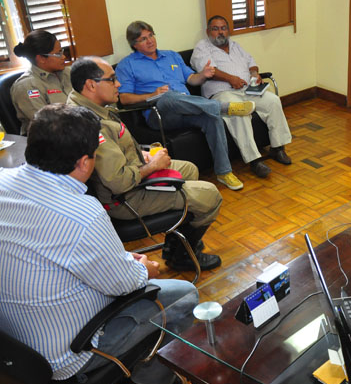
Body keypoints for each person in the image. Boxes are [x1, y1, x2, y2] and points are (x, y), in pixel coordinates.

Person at [0, 104, 198, 384]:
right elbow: (125, 284)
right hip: (67, 356)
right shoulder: (82, 214)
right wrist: (143, 269)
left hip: (12, 343)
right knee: (183, 295)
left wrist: (120, 261)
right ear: (84, 162)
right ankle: (149, 377)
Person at [68, 56, 223, 271]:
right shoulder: (93, 124)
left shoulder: (87, 106)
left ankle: (176, 243)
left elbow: (115, 148)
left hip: (130, 175)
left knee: (189, 169)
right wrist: (152, 166)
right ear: (91, 85)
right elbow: (118, 181)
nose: (118, 84)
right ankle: (182, 256)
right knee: (210, 195)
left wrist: (142, 153)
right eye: (112, 79)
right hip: (125, 198)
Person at [115, 21, 252, 190]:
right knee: (168, 96)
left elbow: (191, 79)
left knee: (212, 118)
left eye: (151, 35)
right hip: (159, 114)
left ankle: (224, 172)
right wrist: (152, 95)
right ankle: (222, 107)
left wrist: (203, 74)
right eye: (143, 39)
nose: (150, 41)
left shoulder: (172, 56)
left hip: (187, 108)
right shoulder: (127, 65)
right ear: (134, 44)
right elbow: (124, 99)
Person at [190, 15, 293, 178]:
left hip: (247, 90)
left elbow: (251, 62)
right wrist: (231, 79)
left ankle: (277, 147)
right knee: (240, 111)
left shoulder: (235, 45)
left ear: (228, 30)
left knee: (273, 101)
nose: (220, 32)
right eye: (215, 29)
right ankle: (254, 160)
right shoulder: (202, 48)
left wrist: (254, 73)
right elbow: (210, 71)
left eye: (223, 28)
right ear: (208, 31)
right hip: (222, 93)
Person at [10, 30, 73, 134]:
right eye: (58, 54)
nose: (63, 57)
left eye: (61, 51)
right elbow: (45, 124)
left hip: (77, 130)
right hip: (51, 137)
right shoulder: (27, 86)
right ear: (41, 59)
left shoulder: (67, 73)